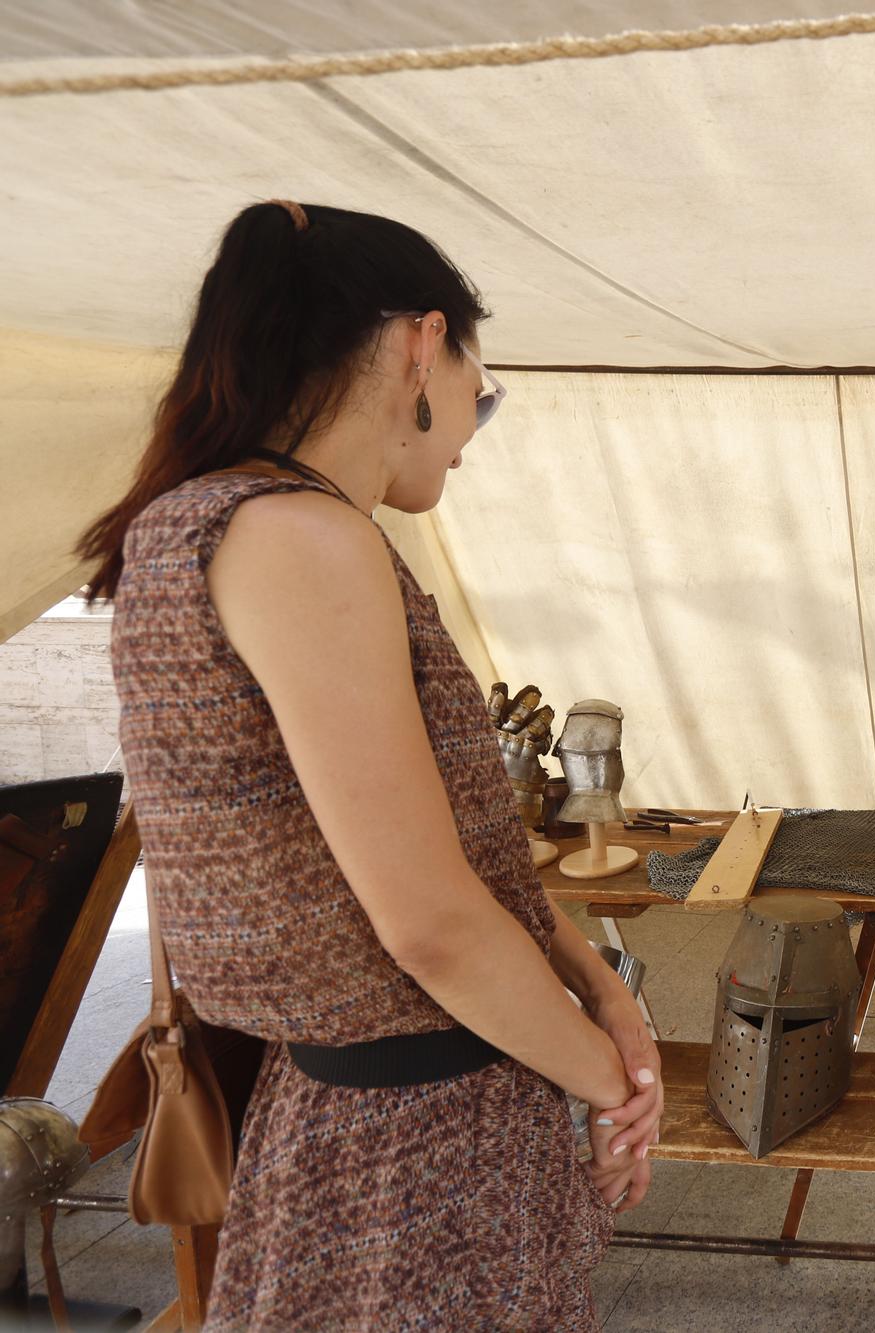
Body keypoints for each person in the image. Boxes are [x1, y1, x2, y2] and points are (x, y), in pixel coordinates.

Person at [79, 200, 660, 1328]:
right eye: (477, 403)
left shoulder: (191, 521)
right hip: (422, 1135)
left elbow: (433, 858)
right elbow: (429, 921)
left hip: (357, 1109)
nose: (462, 437)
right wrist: (611, 1085)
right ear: (419, 349)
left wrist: (593, 984)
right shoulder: (303, 536)